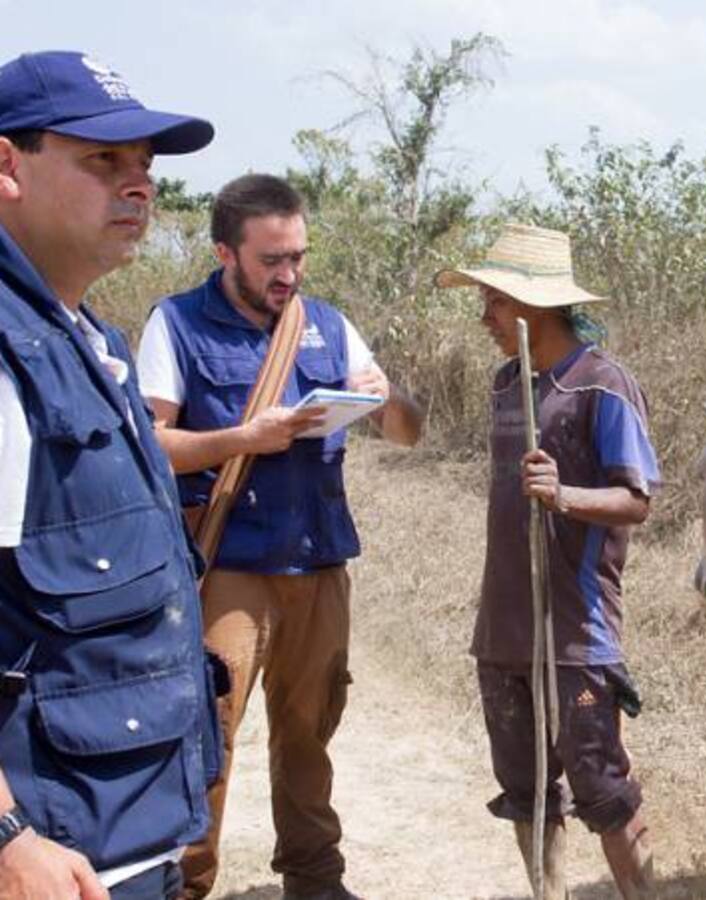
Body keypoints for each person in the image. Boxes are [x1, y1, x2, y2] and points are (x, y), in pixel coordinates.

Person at [137, 174, 426, 900]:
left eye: (297, 256)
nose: (288, 274)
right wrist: (244, 438)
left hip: (320, 562)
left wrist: (387, 399)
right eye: (271, 260)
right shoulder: (175, 325)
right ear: (225, 253)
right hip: (229, 565)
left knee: (311, 731)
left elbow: (408, 433)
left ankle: (314, 878)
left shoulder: (329, 322)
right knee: (211, 735)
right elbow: (145, 446)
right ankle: (186, 884)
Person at [0, 50, 218, 899]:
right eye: (103, 161)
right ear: (8, 165)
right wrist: (9, 840)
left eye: (145, 167)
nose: (139, 186)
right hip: (55, 863)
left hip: (122, 839)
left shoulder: (88, 343)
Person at [434, 223, 660, 900]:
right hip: (503, 626)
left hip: (575, 628)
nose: (485, 319)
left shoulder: (603, 386)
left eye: (495, 303)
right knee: (525, 786)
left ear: (533, 307)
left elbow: (637, 499)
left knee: (599, 781)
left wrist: (563, 495)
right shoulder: (509, 384)